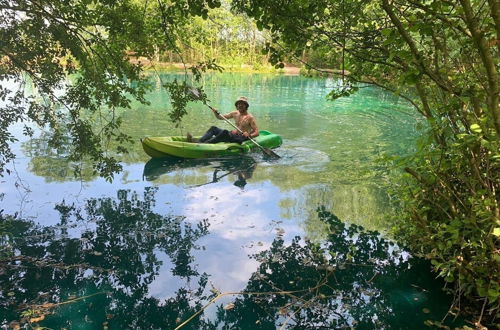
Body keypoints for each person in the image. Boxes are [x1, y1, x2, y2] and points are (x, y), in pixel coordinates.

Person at [194, 96, 260, 144]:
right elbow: (220, 117)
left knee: (225, 132)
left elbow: (257, 132)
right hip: (234, 135)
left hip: (241, 138)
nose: (240, 105)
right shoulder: (235, 113)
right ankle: (200, 141)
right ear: (236, 106)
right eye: (238, 104)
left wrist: (249, 135)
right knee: (213, 128)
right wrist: (215, 113)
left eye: (242, 104)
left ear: (246, 106)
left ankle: (206, 143)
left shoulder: (250, 117)